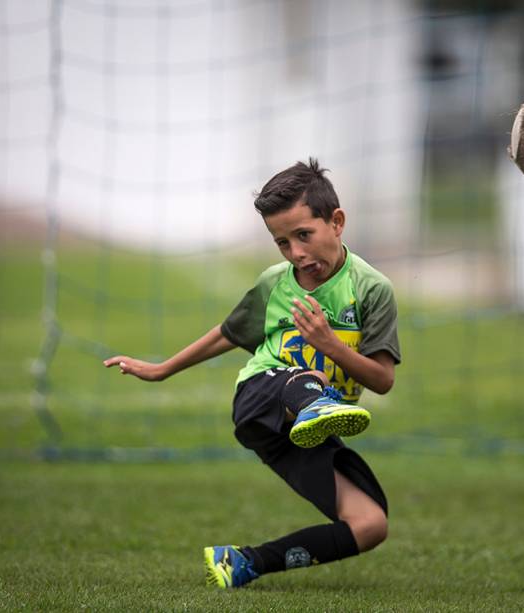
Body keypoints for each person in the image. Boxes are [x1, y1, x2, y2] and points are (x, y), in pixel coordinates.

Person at [103, 159, 401, 588]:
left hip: (303, 430)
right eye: (282, 242)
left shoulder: (372, 290)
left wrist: (330, 345)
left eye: (304, 235)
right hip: (260, 398)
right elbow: (228, 334)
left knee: (370, 524)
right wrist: (162, 369)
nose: (295, 253)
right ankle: (313, 402)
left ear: (336, 222)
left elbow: (383, 380)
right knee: (299, 379)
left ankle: (244, 562)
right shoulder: (274, 285)